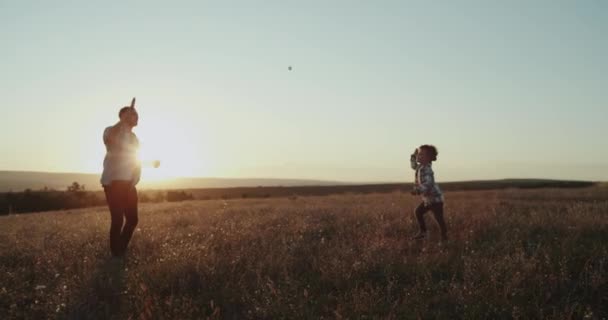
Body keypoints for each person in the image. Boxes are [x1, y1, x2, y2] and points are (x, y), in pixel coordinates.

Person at [101, 98, 142, 257]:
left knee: (132, 220)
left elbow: (134, 159)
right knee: (117, 220)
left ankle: (120, 250)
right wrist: (122, 121)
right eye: (133, 114)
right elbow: (110, 139)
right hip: (113, 183)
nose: (137, 116)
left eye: (137, 114)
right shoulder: (110, 130)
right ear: (123, 117)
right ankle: (116, 255)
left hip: (129, 184)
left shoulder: (134, 138)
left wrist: (135, 178)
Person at [409, 144, 447, 241]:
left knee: (439, 219)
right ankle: (423, 232)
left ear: (429, 158)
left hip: (435, 199)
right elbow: (413, 165)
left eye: (421, 155)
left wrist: (418, 190)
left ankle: (444, 238)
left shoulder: (427, 169)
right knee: (418, 212)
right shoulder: (420, 167)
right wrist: (413, 156)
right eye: (418, 154)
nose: (419, 156)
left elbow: (429, 184)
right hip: (428, 200)